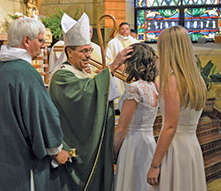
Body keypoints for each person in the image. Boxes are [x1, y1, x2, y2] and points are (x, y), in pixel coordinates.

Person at [0, 18, 70, 191]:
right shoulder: (26, 73)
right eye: (41, 40)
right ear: (27, 40)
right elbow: (43, 116)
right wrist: (56, 150)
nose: (43, 46)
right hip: (19, 160)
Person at [49, 12, 132, 191]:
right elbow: (83, 97)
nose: (88, 55)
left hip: (90, 141)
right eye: (83, 51)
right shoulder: (61, 76)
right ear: (68, 51)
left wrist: (93, 76)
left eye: (89, 50)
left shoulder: (81, 71)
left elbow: (91, 88)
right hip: (75, 144)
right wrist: (111, 68)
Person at [147, 25, 207, 191]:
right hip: (191, 146)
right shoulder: (196, 79)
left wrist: (155, 164)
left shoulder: (173, 82)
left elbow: (170, 127)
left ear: (168, 50)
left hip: (175, 149)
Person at [114, 43, 158, 191]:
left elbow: (121, 128)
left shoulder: (135, 88)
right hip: (149, 142)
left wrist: (112, 153)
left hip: (132, 144)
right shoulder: (154, 86)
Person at [106, 22, 138, 112]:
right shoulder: (112, 43)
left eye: (127, 29)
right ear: (119, 30)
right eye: (122, 29)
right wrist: (118, 65)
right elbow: (107, 59)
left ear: (129, 30)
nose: (125, 31)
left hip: (132, 71)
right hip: (117, 72)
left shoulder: (135, 42)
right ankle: (117, 108)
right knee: (116, 82)